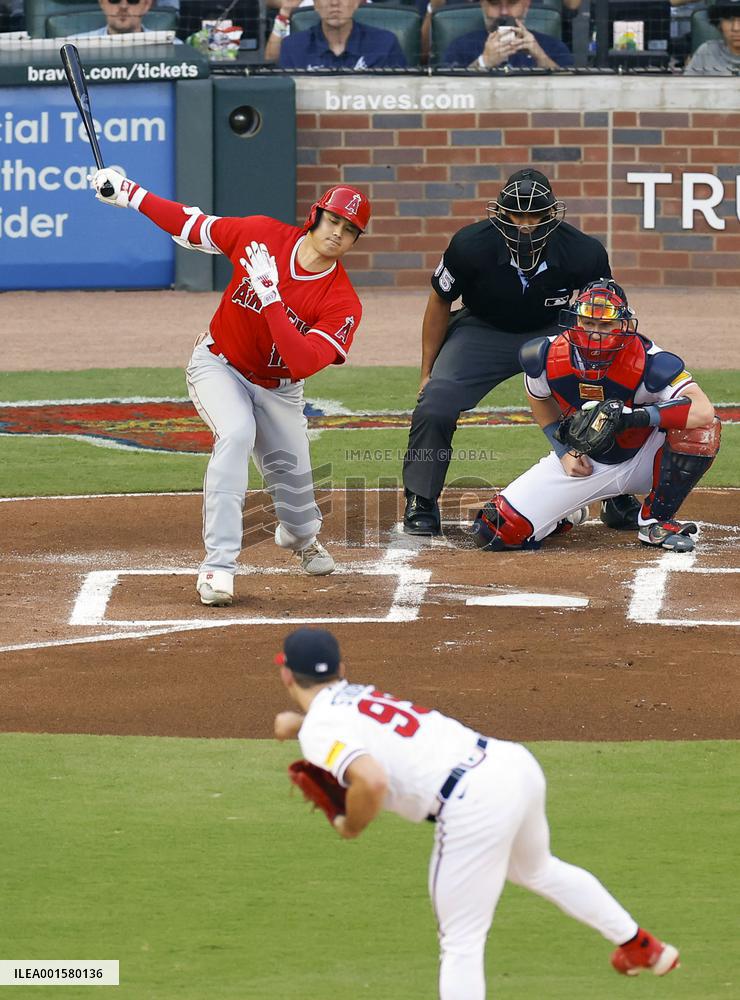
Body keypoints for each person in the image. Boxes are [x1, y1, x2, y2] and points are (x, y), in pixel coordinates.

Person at [274, 626, 681, 1000]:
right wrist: (300, 725)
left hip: (472, 804)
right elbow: (341, 725)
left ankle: (637, 944)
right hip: (511, 765)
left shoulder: (321, 727)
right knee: (538, 870)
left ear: (286, 675)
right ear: (341, 669)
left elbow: (373, 781)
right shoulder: (356, 694)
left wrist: (350, 824)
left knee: (461, 942)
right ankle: (641, 946)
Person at [90, 168, 371, 606]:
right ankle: (218, 567)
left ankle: (301, 539)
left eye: (349, 229)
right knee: (236, 434)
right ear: (315, 217)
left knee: (299, 515)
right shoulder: (261, 235)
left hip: (279, 390)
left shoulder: (342, 302)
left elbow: (300, 361)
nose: (338, 233)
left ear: (355, 241)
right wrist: (129, 192)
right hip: (219, 365)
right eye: (333, 221)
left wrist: (271, 298)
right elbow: (191, 224)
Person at [402, 167, 640, 536]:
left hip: (552, 331)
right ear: (500, 213)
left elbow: (601, 313)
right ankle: (421, 497)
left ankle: (613, 493)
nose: (525, 225)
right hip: (482, 330)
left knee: (602, 398)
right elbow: (439, 302)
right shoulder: (469, 244)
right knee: (436, 401)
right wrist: (425, 372)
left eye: (534, 215)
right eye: (516, 214)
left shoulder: (583, 251)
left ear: (551, 215)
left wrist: (599, 368)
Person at [471, 279, 720, 554]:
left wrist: (634, 418)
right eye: (588, 324)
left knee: (701, 430)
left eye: (604, 325)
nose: (595, 334)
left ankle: (656, 522)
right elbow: (537, 396)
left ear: (623, 325)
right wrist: (563, 450)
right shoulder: (546, 355)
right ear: (576, 321)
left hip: (646, 457)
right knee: (495, 530)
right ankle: (567, 514)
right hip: (588, 459)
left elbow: (702, 409)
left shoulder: (650, 361)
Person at [441, 0, 573, 70]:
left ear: (526, 4)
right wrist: (483, 62)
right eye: (494, 3)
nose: (504, 12)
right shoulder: (460, 47)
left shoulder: (553, 47)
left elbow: (570, 94)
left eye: (512, 2)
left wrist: (540, 57)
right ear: (482, 4)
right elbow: (451, 96)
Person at [277, 0, 407, 70]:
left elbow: (400, 99)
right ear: (315, 4)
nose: (334, 3)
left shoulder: (384, 44)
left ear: (357, 3)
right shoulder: (293, 47)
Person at [73, 0, 182, 40]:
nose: (123, 6)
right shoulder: (74, 46)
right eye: (114, 0)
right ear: (102, 3)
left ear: (146, 5)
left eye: (132, 0)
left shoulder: (173, 47)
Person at [684, 0, 740, 73]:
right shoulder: (706, 52)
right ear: (719, 24)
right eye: (729, 20)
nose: (736, 28)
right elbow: (688, 83)